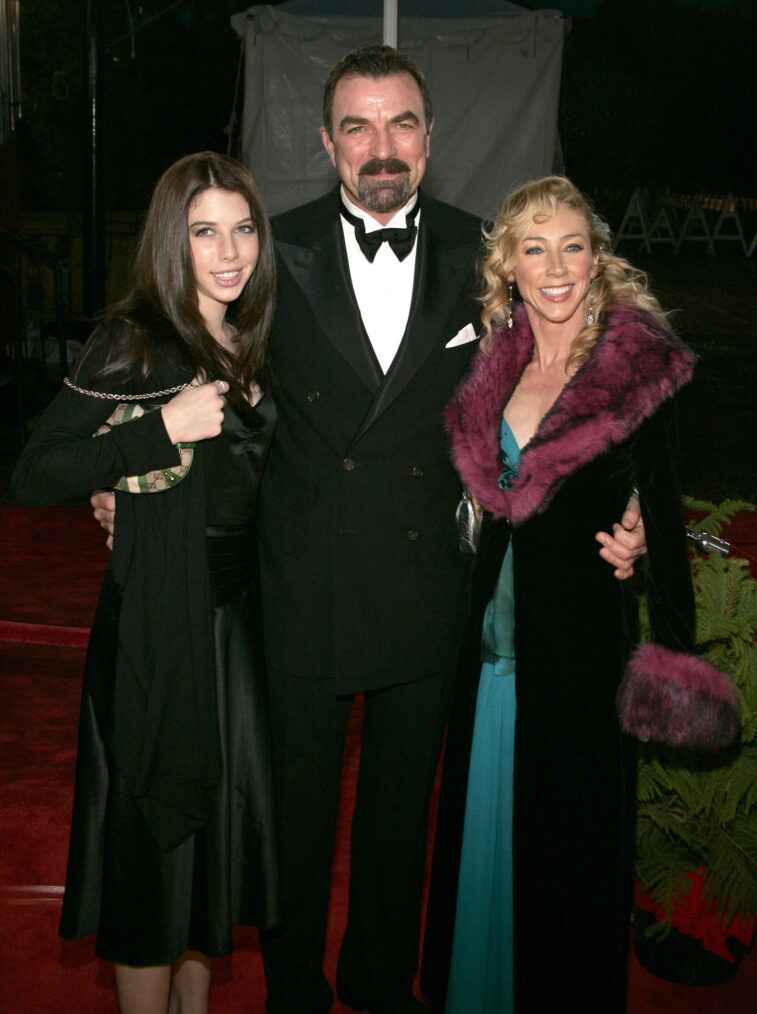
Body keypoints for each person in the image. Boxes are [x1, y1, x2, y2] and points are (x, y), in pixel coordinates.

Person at [92, 50, 645, 1014]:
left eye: (400, 124)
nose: (379, 146)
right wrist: (128, 485)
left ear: (430, 139)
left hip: (428, 585)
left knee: (400, 821)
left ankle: (381, 983)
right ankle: (294, 990)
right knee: (293, 822)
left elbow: (582, 357)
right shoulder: (272, 248)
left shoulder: (489, 253)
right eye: (356, 124)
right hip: (298, 583)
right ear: (325, 142)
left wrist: (627, 499)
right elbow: (190, 364)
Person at [421, 175, 739, 1014]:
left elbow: (665, 526)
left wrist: (670, 647)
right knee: (486, 845)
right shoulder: (493, 358)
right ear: (508, 266)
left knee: (571, 861)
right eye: (534, 247)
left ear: (596, 259)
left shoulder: (639, 368)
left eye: (572, 246)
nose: (554, 266)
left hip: (581, 656)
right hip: (488, 652)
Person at [11, 152, 280, 1014]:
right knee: (148, 860)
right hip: (154, 635)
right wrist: (154, 434)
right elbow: (34, 471)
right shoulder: (134, 338)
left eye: (242, 229)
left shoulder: (257, 336)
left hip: (237, 631)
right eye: (205, 232)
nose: (228, 251)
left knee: (207, 863)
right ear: (174, 239)